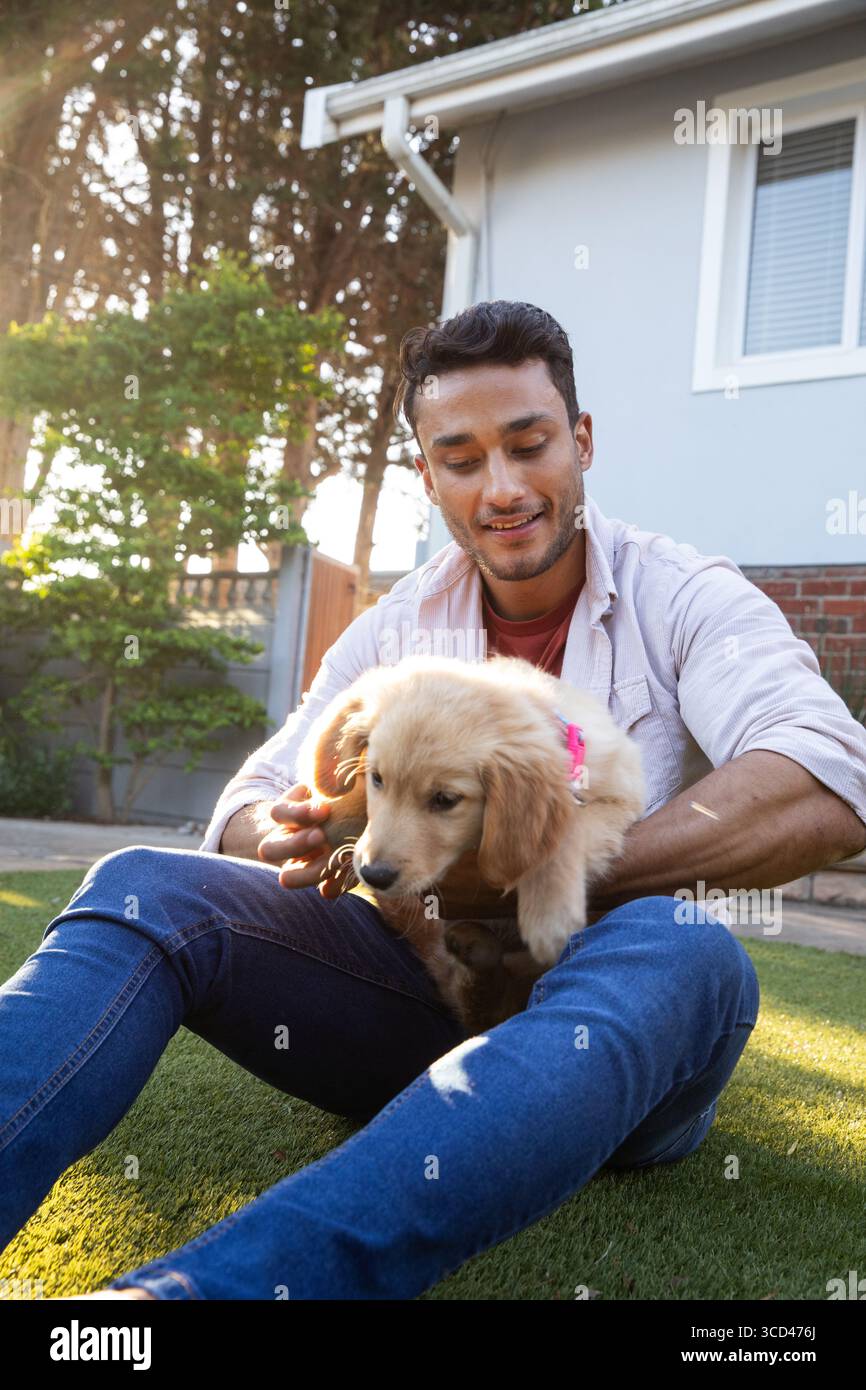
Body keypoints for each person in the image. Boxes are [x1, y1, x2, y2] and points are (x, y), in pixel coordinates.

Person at [2, 301, 864, 1301]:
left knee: (687, 946)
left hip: (618, 1032)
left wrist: (533, 871)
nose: (499, 487)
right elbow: (246, 803)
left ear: (579, 443)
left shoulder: (683, 595)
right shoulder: (400, 625)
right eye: (459, 457)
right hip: (418, 1000)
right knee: (143, 884)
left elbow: (823, 778)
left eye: (528, 444)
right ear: (428, 475)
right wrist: (308, 827)